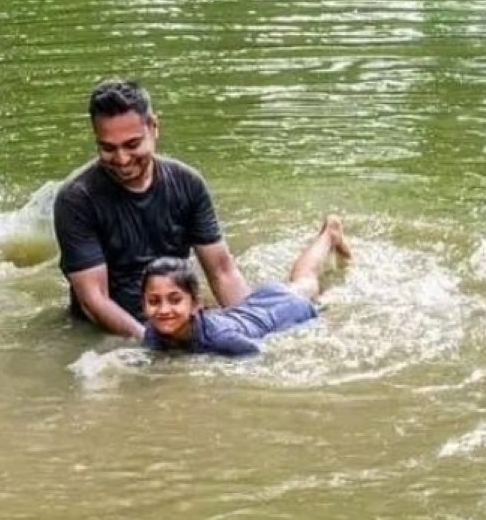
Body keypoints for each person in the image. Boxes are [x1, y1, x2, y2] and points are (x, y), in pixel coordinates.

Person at [53, 78, 250, 338]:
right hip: (108, 333)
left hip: (174, 315)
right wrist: (150, 342)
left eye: (132, 145)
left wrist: (247, 323)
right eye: (108, 148)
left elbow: (223, 272)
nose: (122, 160)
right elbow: (95, 301)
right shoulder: (77, 199)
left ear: (154, 127)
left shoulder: (188, 183)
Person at [141, 215, 353, 356]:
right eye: (153, 301)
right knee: (301, 280)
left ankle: (329, 234)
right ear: (143, 305)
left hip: (284, 310)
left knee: (307, 282)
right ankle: (329, 237)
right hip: (253, 304)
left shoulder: (221, 339)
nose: (164, 310)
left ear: (196, 304)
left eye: (175, 299)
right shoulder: (153, 331)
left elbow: (256, 351)